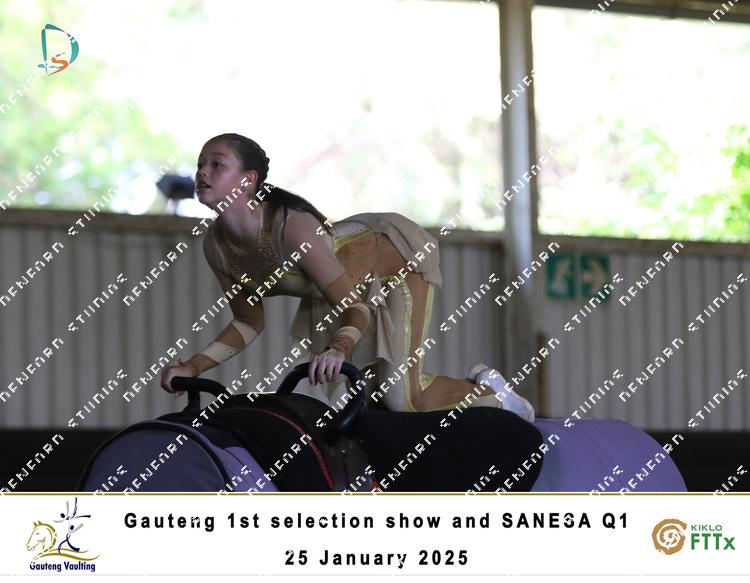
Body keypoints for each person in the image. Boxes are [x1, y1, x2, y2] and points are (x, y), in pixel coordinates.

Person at [159, 133, 535, 423]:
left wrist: (338, 349)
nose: (202, 172)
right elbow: (248, 322)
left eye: (217, 164)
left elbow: (355, 308)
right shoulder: (216, 246)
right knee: (371, 398)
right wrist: (192, 367)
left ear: (248, 180)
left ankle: (495, 395)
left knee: (403, 398)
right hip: (346, 288)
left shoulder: (291, 228)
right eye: (200, 164)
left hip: (397, 259)